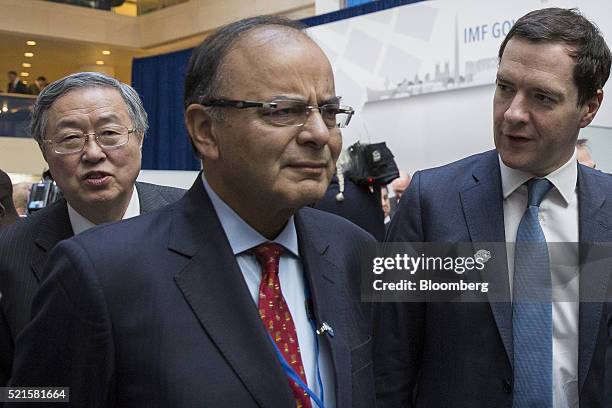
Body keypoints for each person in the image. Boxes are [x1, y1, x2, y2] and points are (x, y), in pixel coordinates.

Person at [8, 15, 375, 407]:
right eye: (282, 110)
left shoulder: (354, 250)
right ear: (204, 130)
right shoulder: (96, 271)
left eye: (331, 111)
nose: (319, 133)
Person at [374, 7, 612, 408]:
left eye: (542, 97)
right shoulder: (428, 203)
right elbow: (388, 362)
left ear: (589, 107)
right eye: (505, 87)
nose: (513, 113)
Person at [0, 72, 184, 385]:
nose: (94, 153)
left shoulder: (195, 220)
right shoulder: (10, 254)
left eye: (109, 133)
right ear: (45, 153)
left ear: (139, 137)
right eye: (70, 139)